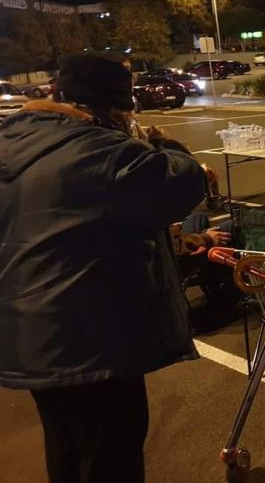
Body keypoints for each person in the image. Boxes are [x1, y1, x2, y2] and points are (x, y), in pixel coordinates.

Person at [0, 54, 206, 483]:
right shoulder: (101, 151)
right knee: (111, 455)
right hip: (91, 338)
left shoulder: (12, 142)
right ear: (111, 109)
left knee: (65, 445)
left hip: (29, 332)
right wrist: (163, 144)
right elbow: (182, 184)